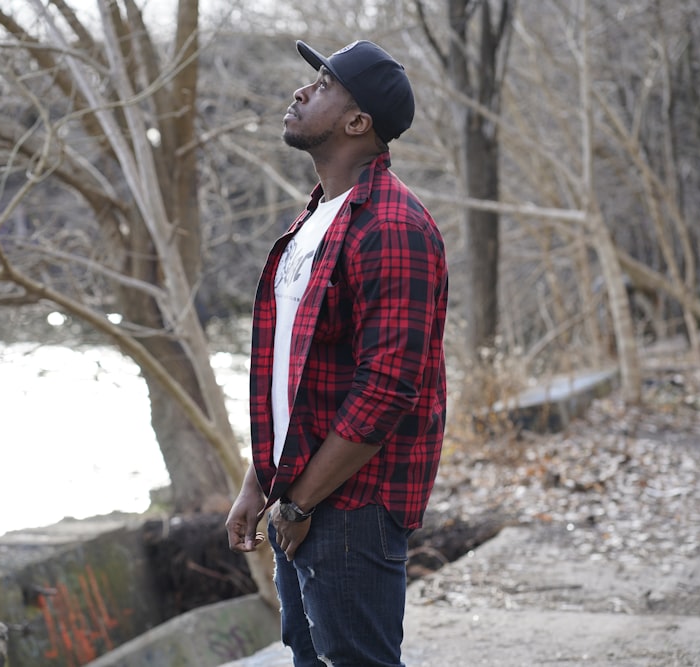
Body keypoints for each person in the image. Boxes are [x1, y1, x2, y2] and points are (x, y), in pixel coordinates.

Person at [225, 38, 449, 667]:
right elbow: (293, 378)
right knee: (309, 655)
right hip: (303, 492)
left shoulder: (394, 227)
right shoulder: (318, 219)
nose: (301, 92)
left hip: (355, 502)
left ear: (358, 122)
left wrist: (298, 503)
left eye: (322, 84)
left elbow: (386, 389)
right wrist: (261, 482)